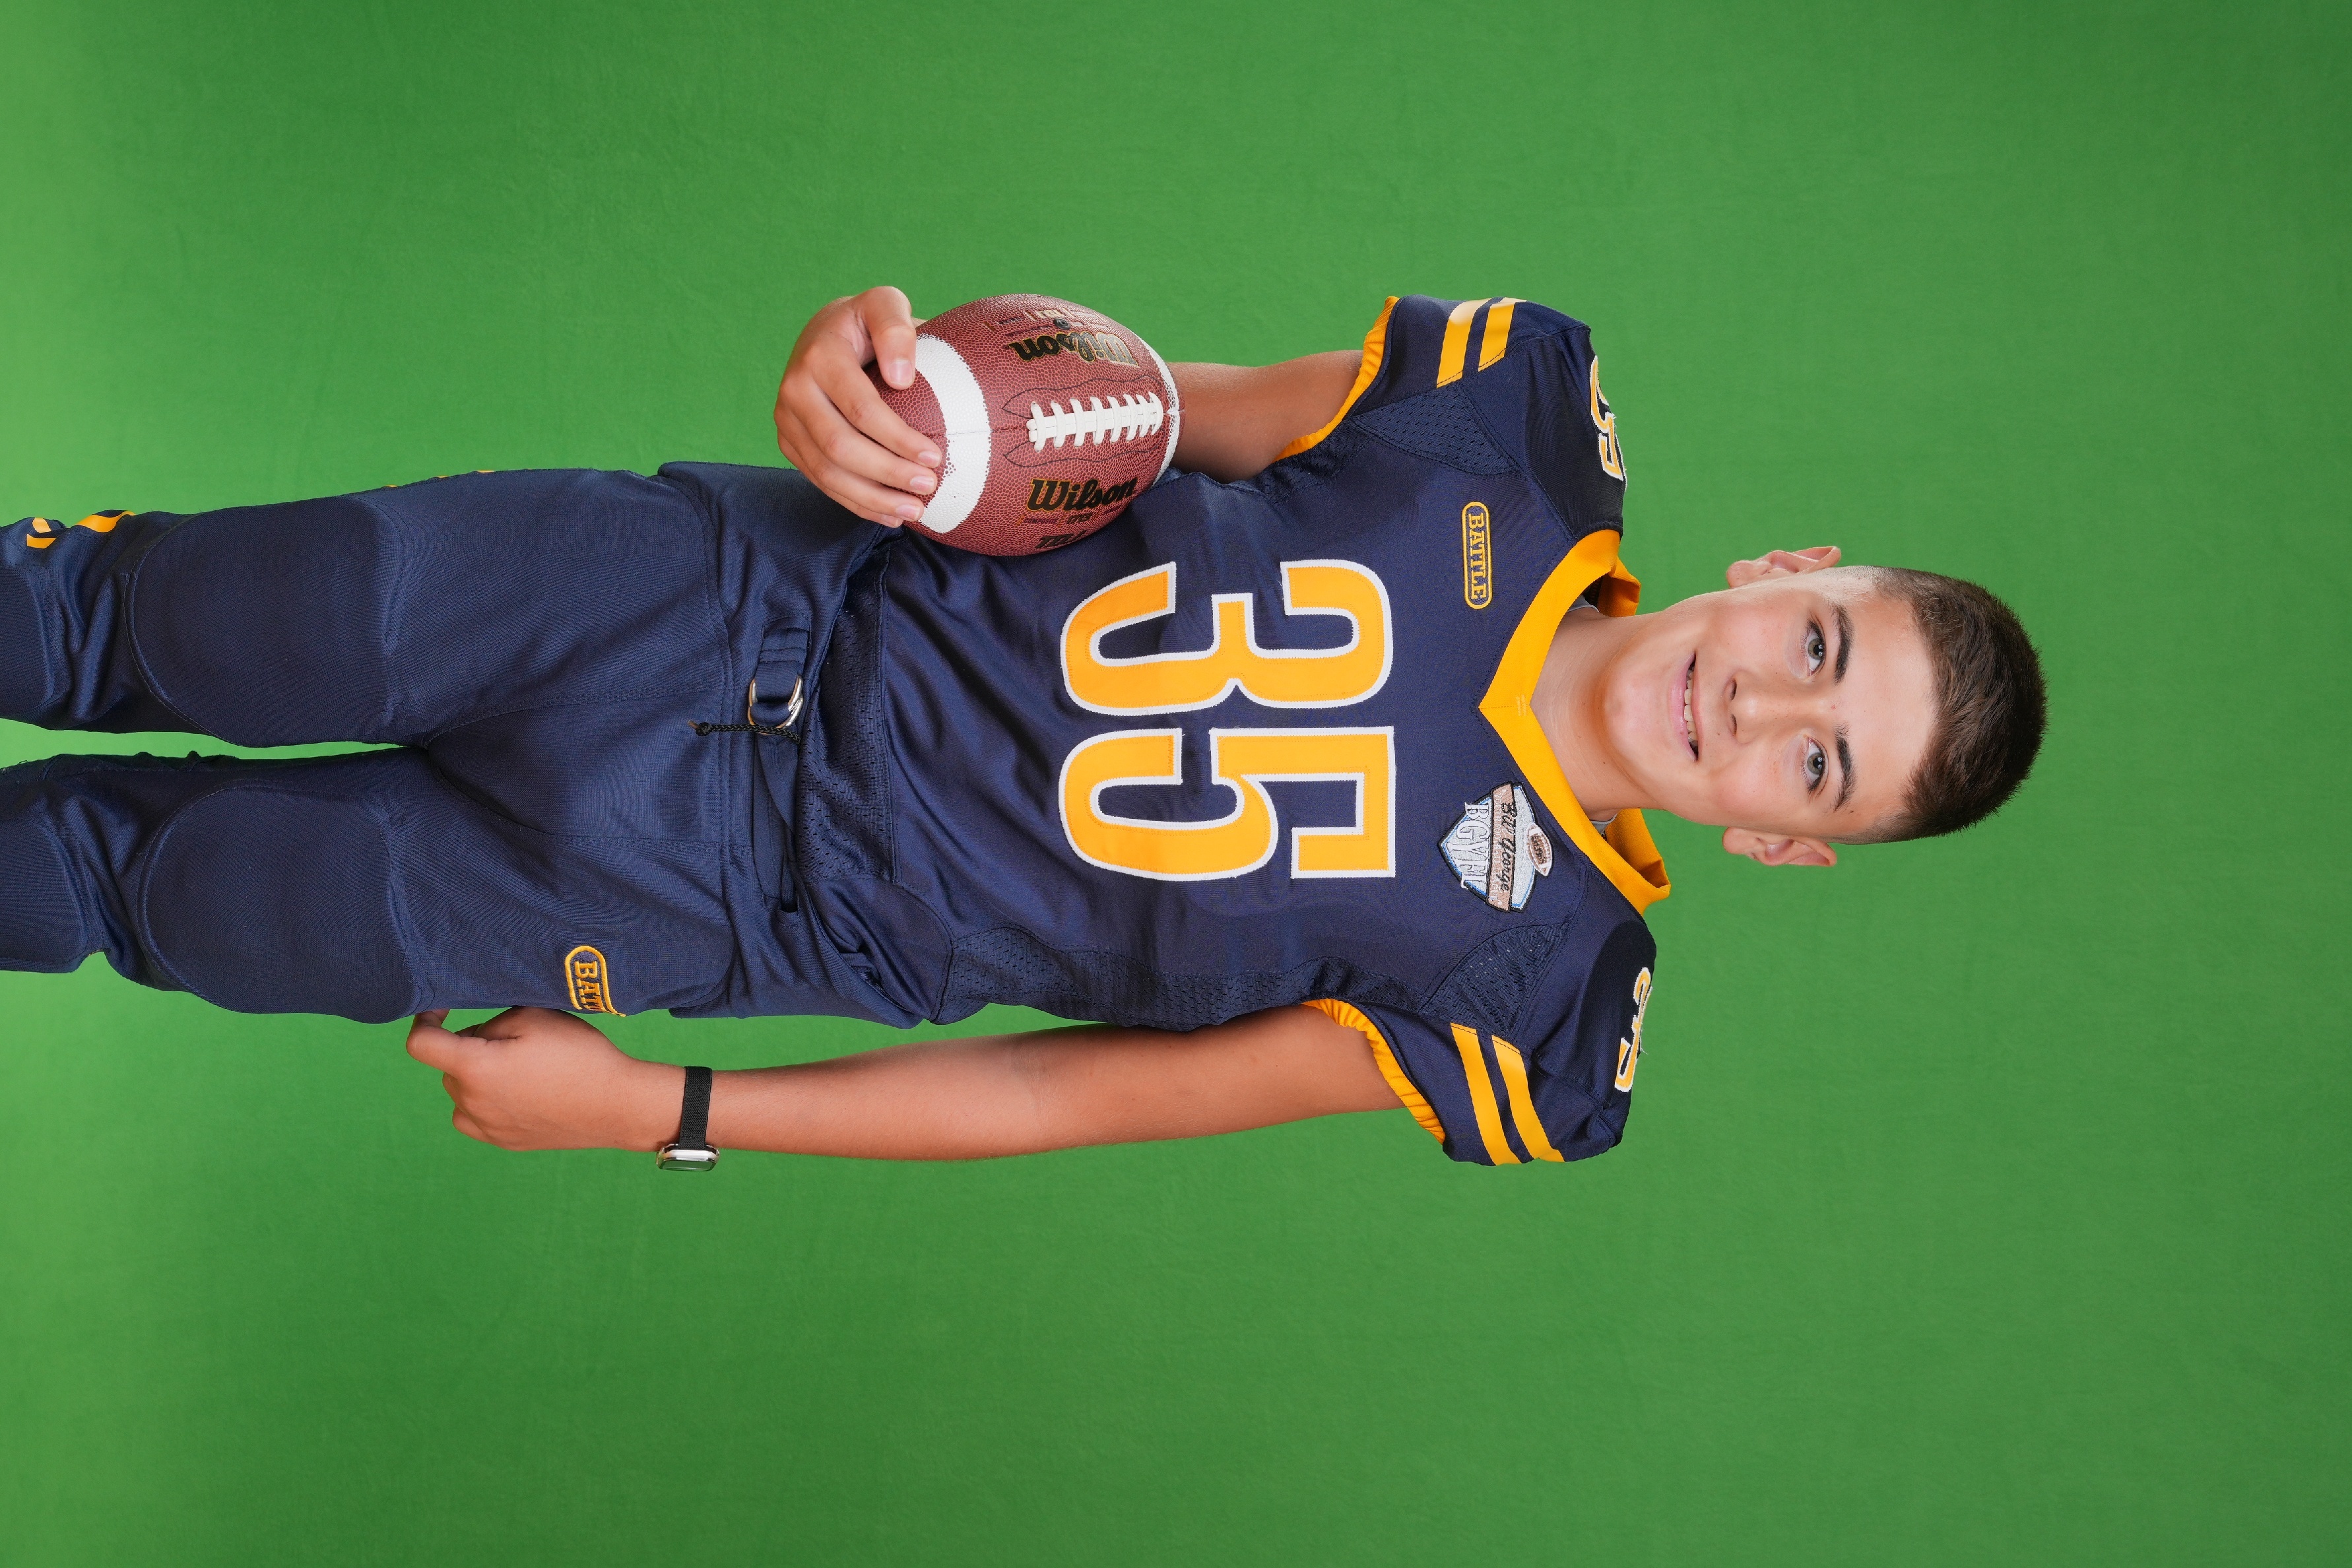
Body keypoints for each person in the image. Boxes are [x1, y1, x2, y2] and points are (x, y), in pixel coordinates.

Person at [0, 287, 2044, 1167]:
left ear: (1784, 841)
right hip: (730, 593)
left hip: (722, 903)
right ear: (1786, 565)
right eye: (1814, 642)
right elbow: (1098, 412)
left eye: (1814, 762)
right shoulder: (1486, 429)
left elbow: (1066, 1095)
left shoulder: (1528, 998)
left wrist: (674, 1114)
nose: (1756, 702)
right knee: (165, 615)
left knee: (150, 893)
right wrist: (881, 385)